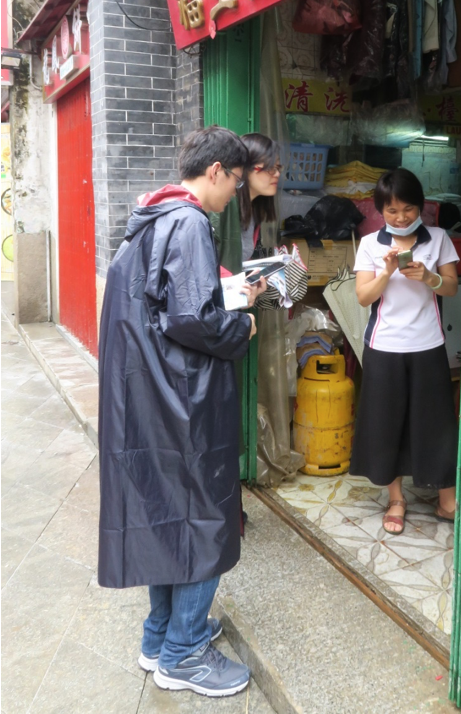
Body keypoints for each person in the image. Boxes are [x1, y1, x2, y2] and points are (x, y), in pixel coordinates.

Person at [97, 126, 265, 699]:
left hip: (147, 399)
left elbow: (160, 306)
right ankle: (184, 654)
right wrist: (240, 322)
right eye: (236, 182)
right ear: (215, 171)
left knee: (167, 515)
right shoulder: (191, 222)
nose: (233, 196)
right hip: (184, 401)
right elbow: (193, 319)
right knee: (205, 521)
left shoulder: (149, 218)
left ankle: (160, 635)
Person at [351, 168, 460, 534]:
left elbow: (450, 289)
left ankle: (447, 499)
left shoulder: (439, 238)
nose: (401, 217)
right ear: (380, 209)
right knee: (387, 423)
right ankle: (396, 499)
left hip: (428, 344)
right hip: (384, 347)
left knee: (437, 422)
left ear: (421, 206)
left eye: (409, 209)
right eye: (392, 211)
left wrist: (428, 277)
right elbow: (364, 296)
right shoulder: (369, 244)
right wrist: (386, 273)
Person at [212, 132, 282, 275]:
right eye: (270, 168)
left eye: (278, 168)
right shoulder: (222, 204)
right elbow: (203, 263)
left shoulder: (254, 210)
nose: (277, 174)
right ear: (244, 170)